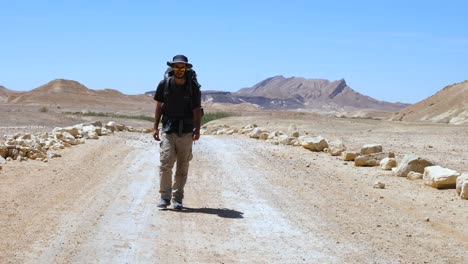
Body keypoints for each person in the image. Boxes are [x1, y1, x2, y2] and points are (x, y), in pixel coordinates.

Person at [152, 55, 202, 210]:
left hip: (186, 130)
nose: (179, 70)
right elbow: (159, 106)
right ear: (172, 68)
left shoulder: (193, 87)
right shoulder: (164, 84)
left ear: (186, 68)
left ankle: (178, 199)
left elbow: (197, 110)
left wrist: (197, 129)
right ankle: (164, 198)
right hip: (168, 128)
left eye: (182, 67)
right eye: (176, 67)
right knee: (166, 163)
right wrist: (155, 127)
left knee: (183, 166)